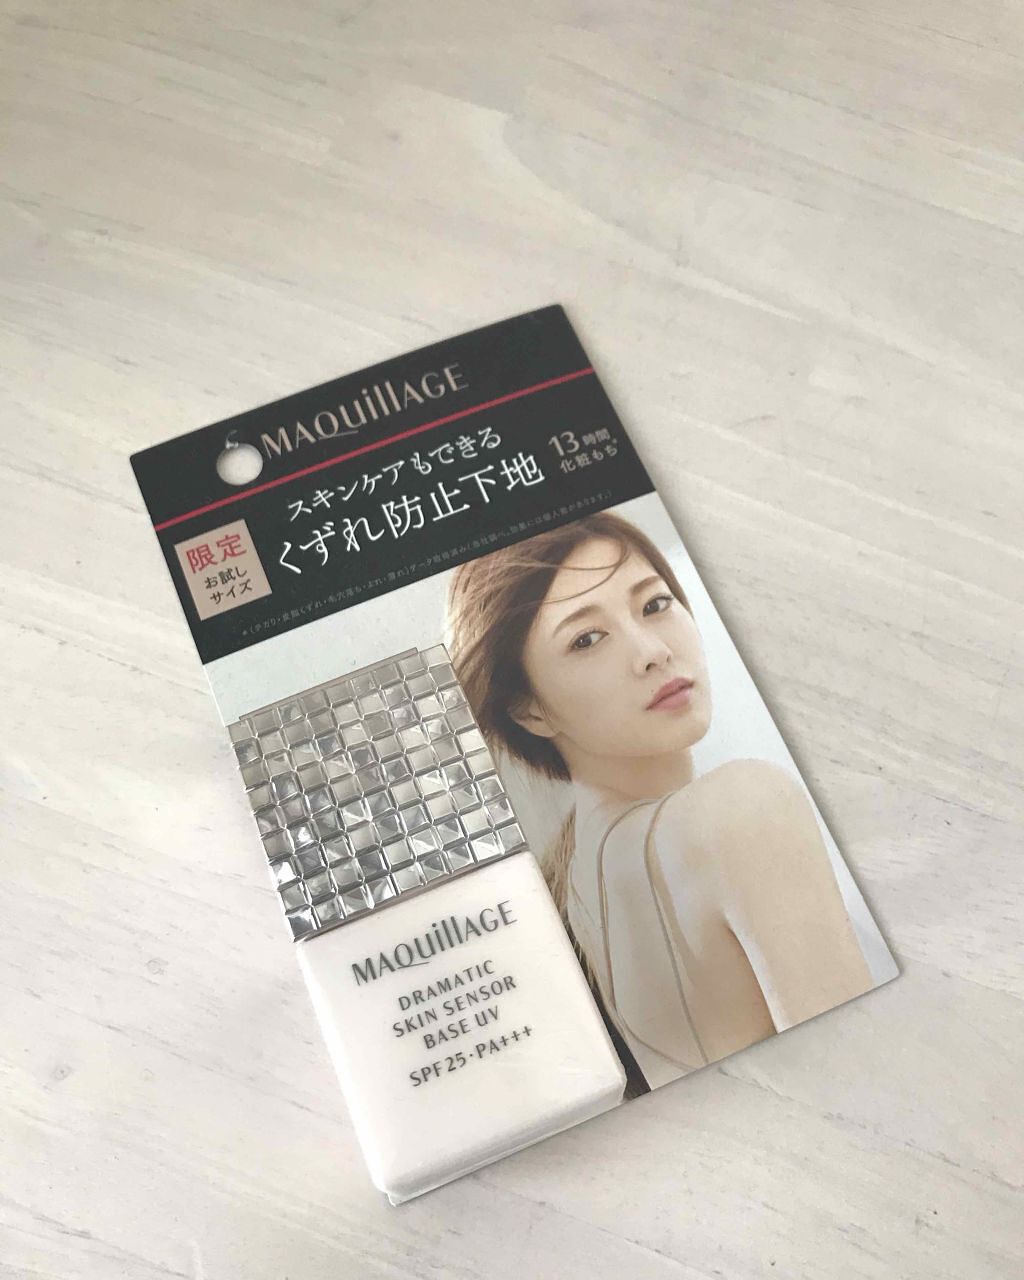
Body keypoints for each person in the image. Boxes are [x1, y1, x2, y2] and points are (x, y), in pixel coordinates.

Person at [447, 511, 875, 1088]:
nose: (652, 651)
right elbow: (859, 1074)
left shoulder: (570, 885)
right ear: (529, 711)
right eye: (586, 639)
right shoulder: (741, 812)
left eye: (654, 604)